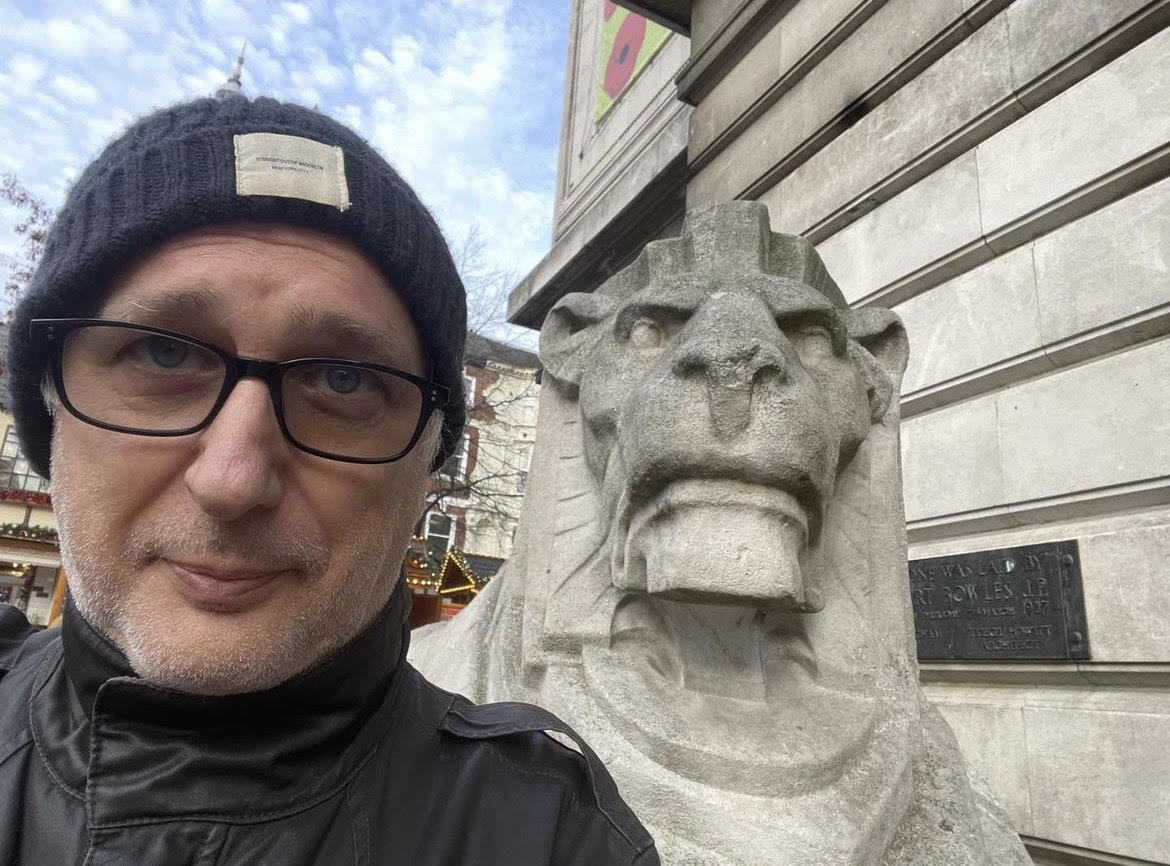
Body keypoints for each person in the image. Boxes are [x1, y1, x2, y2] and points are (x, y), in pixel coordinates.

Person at [0, 95, 658, 866]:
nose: (234, 481)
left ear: (426, 469)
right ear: (50, 408)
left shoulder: (553, 839)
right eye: (163, 354)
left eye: (344, 381)